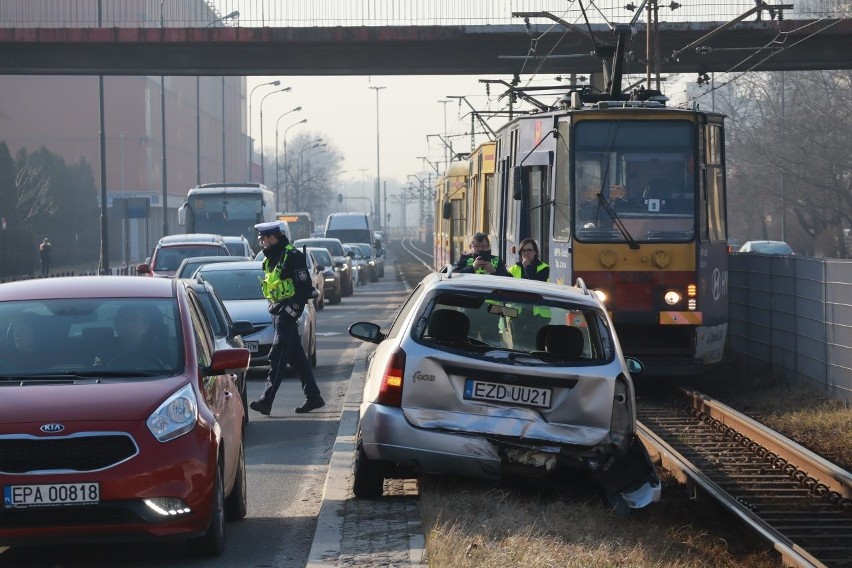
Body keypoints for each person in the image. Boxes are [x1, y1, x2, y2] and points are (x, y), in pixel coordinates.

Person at [250, 221, 325, 416]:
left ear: (272, 238)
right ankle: (314, 397)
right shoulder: (271, 258)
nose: (261, 244)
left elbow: (304, 286)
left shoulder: (292, 256)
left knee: (277, 356)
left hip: (287, 314)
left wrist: (293, 310)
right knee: (297, 358)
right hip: (276, 312)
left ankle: (266, 400)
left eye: (263, 240)